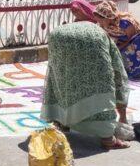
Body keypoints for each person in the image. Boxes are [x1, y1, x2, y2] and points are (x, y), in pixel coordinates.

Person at [41, 22, 130, 150]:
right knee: (102, 86)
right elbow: (119, 75)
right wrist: (123, 115)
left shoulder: (97, 33)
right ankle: (108, 139)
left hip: (57, 38)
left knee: (63, 79)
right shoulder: (106, 41)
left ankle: (62, 122)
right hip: (90, 40)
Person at [93, 1, 140, 81]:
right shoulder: (104, 25)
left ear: (108, 17)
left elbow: (132, 39)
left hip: (135, 44)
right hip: (120, 43)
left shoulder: (125, 23)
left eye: (100, 20)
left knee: (128, 52)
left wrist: (118, 47)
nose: (99, 22)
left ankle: (137, 74)